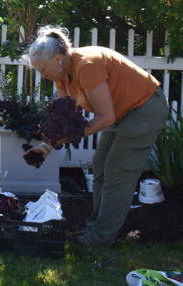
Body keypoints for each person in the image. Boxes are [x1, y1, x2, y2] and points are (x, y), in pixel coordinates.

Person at [23, 26, 170, 247]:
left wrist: (72, 137)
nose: (42, 76)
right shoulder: (62, 76)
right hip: (122, 113)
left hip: (145, 108)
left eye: (43, 69)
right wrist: (47, 146)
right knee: (100, 163)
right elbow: (67, 120)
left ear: (57, 59)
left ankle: (99, 239)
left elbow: (105, 116)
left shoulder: (87, 65)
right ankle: (95, 228)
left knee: (117, 170)